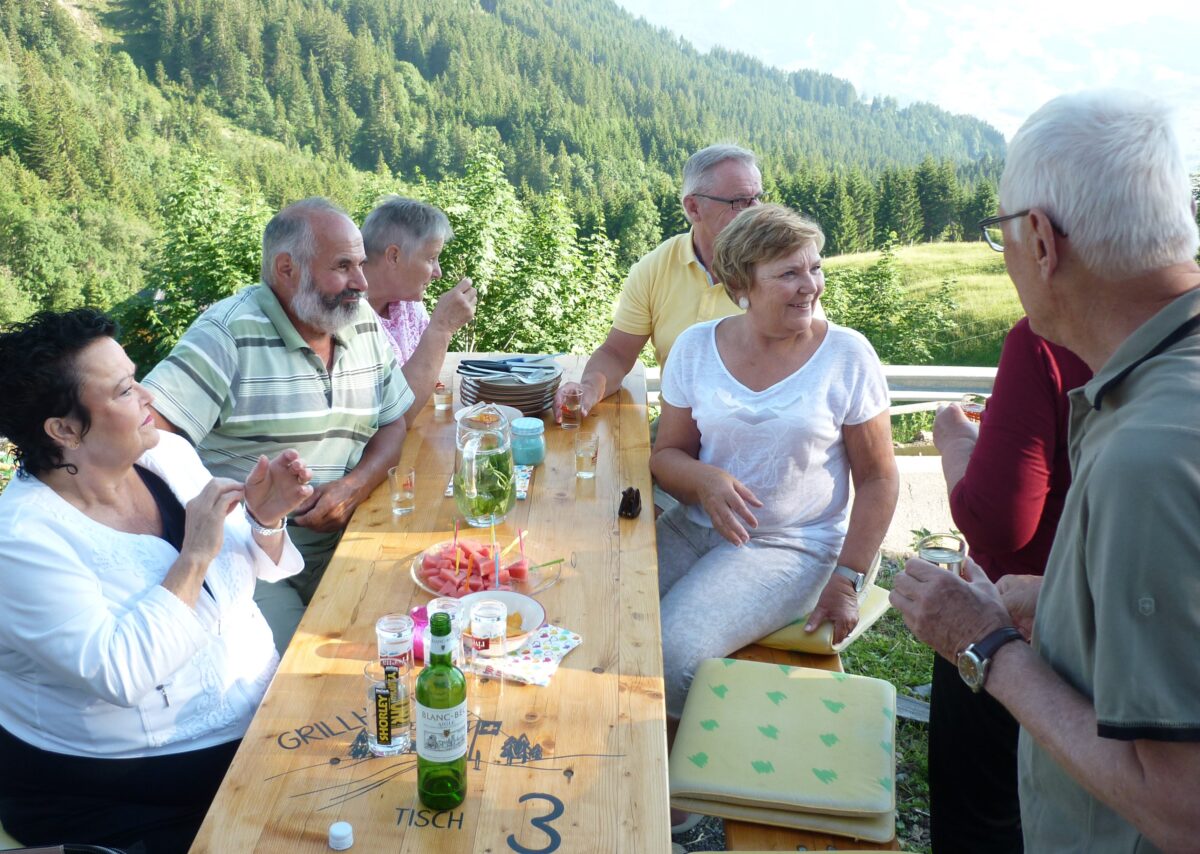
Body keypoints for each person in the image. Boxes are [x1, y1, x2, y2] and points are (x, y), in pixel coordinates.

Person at [890, 90, 1200, 852]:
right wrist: (1060, 603)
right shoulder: (1159, 387)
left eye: (1000, 233)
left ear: (1039, 240)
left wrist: (987, 646)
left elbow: (1183, 809)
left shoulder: (1146, 455)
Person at [0, 309, 314, 853]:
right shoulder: (22, 542)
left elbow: (237, 576)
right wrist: (193, 554)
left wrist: (264, 518)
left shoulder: (165, 456)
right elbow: (122, 673)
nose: (148, 396)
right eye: (124, 390)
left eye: (135, 376)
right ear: (65, 429)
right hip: (130, 796)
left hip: (268, 723)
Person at [650, 204, 898, 719]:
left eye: (815, 267)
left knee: (673, 656)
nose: (810, 285)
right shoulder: (696, 348)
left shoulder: (847, 355)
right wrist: (704, 478)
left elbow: (877, 479)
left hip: (792, 544)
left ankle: (675, 797)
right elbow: (666, 455)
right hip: (694, 526)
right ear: (742, 284)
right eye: (789, 273)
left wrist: (847, 579)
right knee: (609, 613)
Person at [144, 197, 414, 654]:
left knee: (408, 640)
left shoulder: (361, 321)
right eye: (343, 266)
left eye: (362, 264)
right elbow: (144, 439)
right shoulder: (226, 335)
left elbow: (394, 423)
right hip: (245, 552)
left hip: (349, 534)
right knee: (303, 671)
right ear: (286, 269)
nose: (362, 283)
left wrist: (354, 485)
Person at [928, 317, 1091, 853]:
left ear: (1043, 240)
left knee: (984, 815)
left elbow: (997, 521)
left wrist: (956, 441)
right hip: (1141, 631)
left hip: (1014, 624)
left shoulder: (1045, 336)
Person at [553, 143, 765, 422]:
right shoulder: (655, 267)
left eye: (757, 198)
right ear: (694, 207)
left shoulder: (779, 265)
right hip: (679, 437)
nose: (755, 211)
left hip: (760, 432)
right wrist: (588, 390)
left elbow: (809, 355)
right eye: (739, 202)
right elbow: (617, 354)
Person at [360, 196, 477, 422]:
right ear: (394, 256)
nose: (438, 272)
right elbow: (396, 418)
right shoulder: (346, 316)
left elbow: (426, 380)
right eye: (431, 258)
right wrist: (442, 328)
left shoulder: (407, 304)